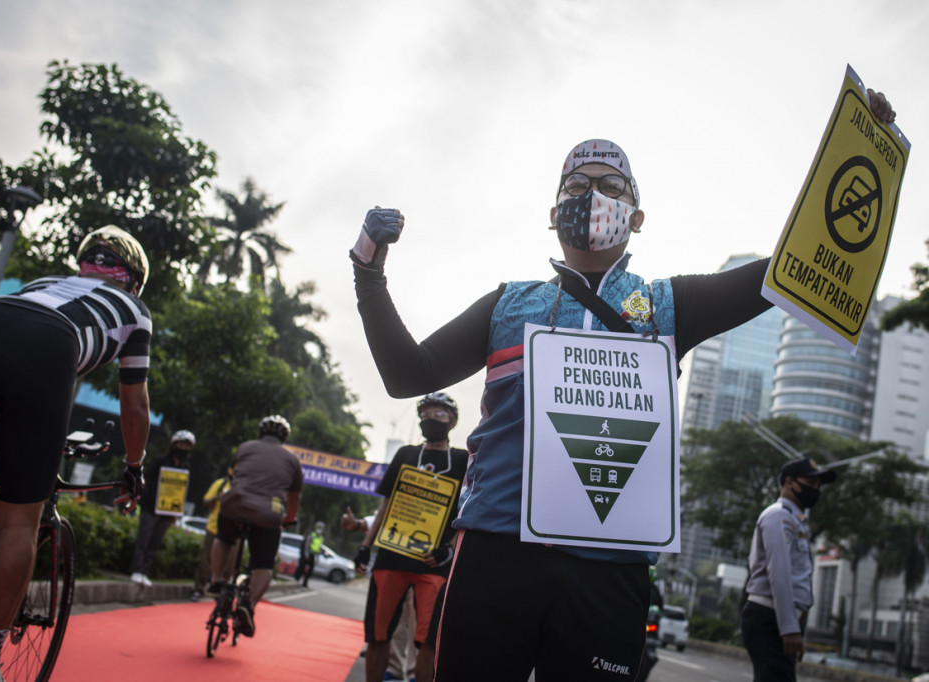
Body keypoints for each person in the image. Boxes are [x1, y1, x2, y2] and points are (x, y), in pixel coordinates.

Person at [348, 91, 896, 680]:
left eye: (612, 186)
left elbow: (789, 269)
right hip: (496, 554)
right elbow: (408, 374)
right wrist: (367, 268)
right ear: (553, 213)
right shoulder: (508, 305)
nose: (592, 194)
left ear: (637, 217)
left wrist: (858, 150)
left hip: (609, 571)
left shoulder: (668, 305)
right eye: (576, 184)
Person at [0, 225, 152, 682]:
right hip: (43, 349)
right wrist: (134, 466)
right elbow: (134, 404)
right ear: (135, 279)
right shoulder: (134, 311)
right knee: (20, 520)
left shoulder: (44, 283)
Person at [351, 393, 468, 682]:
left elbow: (466, 511)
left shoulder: (463, 460)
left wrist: (449, 550)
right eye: (426, 413)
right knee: (378, 636)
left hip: (433, 564)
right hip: (391, 557)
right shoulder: (405, 454)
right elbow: (386, 504)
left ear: (452, 420)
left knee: (428, 642)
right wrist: (366, 547)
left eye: (439, 414)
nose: (431, 419)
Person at [741, 457, 838, 681]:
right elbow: (779, 573)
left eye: (819, 485)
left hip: (777, 618)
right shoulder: (779, 516)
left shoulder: (796, 520)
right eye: (811, 482)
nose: (816, 489)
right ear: (789, 482)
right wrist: (789, 628)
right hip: (769, 617)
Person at [208, 415, 302, 637]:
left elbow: (232, 475)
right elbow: (294, 498)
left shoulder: (244, 447)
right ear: (284, 437)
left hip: (234, 505)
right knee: (263, 564)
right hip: (268, 514)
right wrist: (289, 518)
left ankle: (216, 580)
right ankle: (248, 606)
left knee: (223, 537)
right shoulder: (293, 460)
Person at [342, 507, 417, 682]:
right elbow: (386, 510)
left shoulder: (460, 481)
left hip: (430, 559)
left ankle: (416, 673)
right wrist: (358, 525)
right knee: (394, 619)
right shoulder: (402, 482)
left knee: (419, 622)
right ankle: (394, 671)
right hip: (397, 555)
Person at [129, 429, 195, 586]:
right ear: (174, 444)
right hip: (151, 507)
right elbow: (147, 478)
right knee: (144, 540)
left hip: (168, 511)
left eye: (187, 446)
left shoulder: (186, 467)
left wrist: (175, 512)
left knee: (155, 543)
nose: (184, 449)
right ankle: (136, 570)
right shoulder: (161, 461)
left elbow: (182, 490)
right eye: (182, 445)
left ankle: (144, 571)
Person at [191, 466, 240, 601]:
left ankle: (221, 593)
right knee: (205, 561)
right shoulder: (220, 484)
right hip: (214, 528)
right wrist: (218, 498)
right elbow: (206, 501)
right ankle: (198, 589)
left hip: (234, 532)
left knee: (229, 566)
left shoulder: (244, 489)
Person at [296, 521, 325, 587]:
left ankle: (305, 582)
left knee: (310, 570)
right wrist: (306, 554)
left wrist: (317, 558)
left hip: (314, 555)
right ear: (315, 527)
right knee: (302, 567)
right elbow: (307, 545)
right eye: (318, 527)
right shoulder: (312, 535)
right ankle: (296, 579)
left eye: (321, 528)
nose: (319, 529)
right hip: (308, 554)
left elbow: (319, 548)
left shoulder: (321, 538)